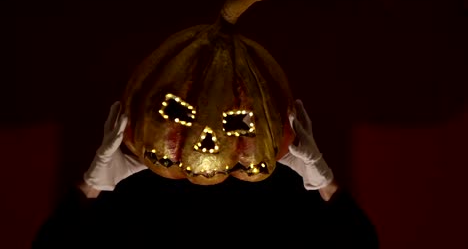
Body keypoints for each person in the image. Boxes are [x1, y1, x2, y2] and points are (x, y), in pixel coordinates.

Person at [32, 99, 379, 248]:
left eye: (233, 119)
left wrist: (323, 183)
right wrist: (93, 186)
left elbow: (360, 246)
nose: (208, 135)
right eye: (184, 112)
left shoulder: (278, 192)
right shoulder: (139, 194)